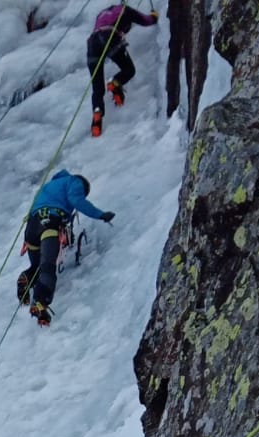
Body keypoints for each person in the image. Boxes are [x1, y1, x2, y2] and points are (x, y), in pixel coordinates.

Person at [21, 170, 115, 327]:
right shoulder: (74, 182)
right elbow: (76, 200)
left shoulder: (50, 185)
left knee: (37, 267)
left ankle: (26, 279)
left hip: (32, 227)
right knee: (48, 266)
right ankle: (40, 302)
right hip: (49, 223)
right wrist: (100, 214)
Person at [87, 5, 159, 136]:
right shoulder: (125, 9)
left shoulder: (102, 13)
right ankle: (115, 81)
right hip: (109, 36)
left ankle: (97, 115)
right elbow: (145, 20)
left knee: (97, 87)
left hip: (92, 42)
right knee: (129, 70)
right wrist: (154, 16)